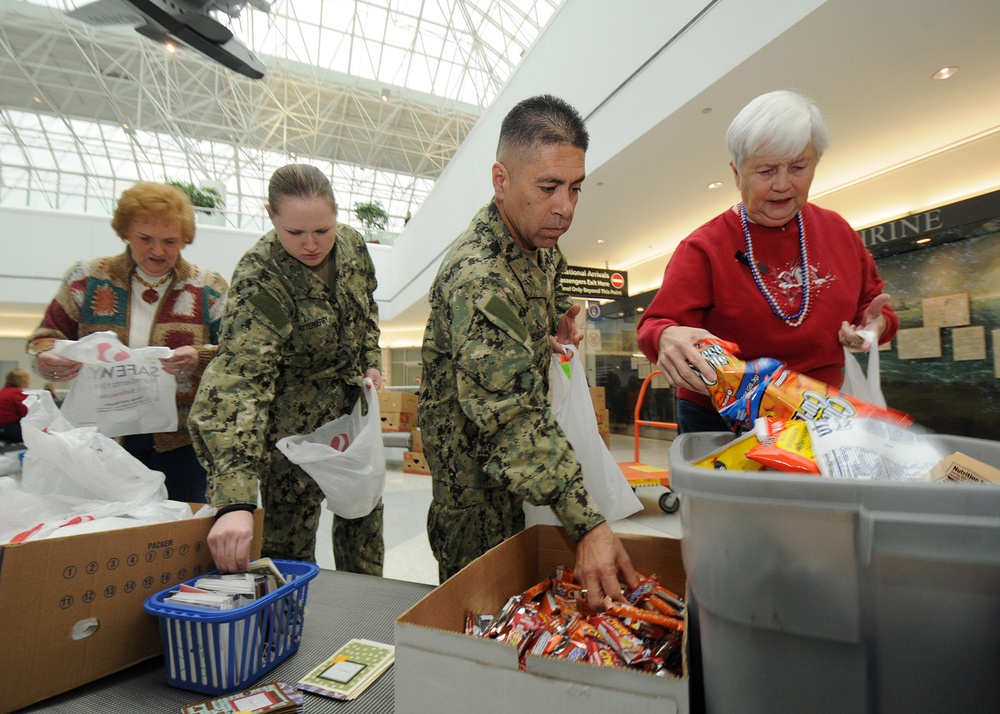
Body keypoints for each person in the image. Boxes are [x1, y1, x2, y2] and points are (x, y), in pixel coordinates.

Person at [419, 94, 638, 610]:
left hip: (531, 471)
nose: (566, 207)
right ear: (501, 180)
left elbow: (550, 279)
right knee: (483, 623)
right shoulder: (479, 277)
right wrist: (587, 523)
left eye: (575, 188)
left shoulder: (538, 239)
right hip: (477, 493)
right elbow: (510, 416)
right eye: (548, 188)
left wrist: (558, 318)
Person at [637, 89, 899, 433]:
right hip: (723, 416)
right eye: (766, 170)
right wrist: (666, 336)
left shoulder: (838, 232)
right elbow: (656, 324)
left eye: (798, 167)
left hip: (821, 412)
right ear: (736, 173)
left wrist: (872, 328)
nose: (783, 184)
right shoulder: (703, 247)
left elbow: (876, 310)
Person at [189, 163, 384, 576]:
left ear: (337, 215)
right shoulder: (261, 279)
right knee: (289, 558)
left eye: (323, 230)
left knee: (364, 533)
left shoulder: (352, 246)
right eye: (295, 232)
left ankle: (369, 608)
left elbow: (367, 307)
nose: (311, 245)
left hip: (352, 424)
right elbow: (239, 382)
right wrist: (236, 501)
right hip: (291, 441)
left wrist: (371, 358)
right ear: (270, 216)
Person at [26, 182, 228, 498]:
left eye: (170, 241)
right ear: (125, 233)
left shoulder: (209, 287)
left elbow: (236, 351)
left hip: (181, 442)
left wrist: (199, 356)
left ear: (185, 239)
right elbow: (45, 338)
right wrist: (45, 359)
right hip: (101, 440)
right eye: (145, 239)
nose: (158, 251)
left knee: (181, 523)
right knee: (107, 522)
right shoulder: (88, 278)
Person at [0, 369, 31, 443]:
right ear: (22, 380)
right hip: (7, 428)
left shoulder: (4, 391)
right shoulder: (16, 393)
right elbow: (27, 413)